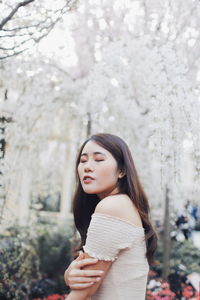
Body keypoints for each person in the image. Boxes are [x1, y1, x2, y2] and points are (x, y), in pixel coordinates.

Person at [64, 133, 158, 300]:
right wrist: (68, 275)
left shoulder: (113, 207)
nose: (87, 167)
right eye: (83, 160)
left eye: (99, 160)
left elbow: (83, 292)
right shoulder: (123, 204)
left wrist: (71, 277)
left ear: (121, 170)